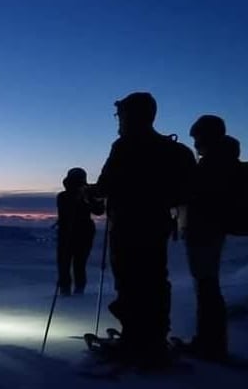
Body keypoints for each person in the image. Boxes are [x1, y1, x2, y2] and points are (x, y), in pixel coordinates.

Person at [93, 92, 196, 366]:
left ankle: (135, 340)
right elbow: (186, 191)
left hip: (128, 225)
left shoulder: (125, 146)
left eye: (121, 115)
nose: (119, 121)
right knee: (155, 279)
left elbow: (105, 185)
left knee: (130, 281)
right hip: (157, 225)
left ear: (132, 116)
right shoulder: (175, 151)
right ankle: (154, 340)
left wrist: (91, 193)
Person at [183, 115, 239, 361]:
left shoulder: (212, 165)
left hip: (205, 232)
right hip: (212, 231)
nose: (195, 144)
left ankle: (210, 344)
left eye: (197, 138)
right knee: (208, 287)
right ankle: (210, 342)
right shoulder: (225, 161)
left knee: (207, 288)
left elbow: (194, 194)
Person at [55, 167, 104, 296]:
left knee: (78, 263)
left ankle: (77, 291)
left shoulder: (86, 195)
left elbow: (99, 211)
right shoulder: (63, 196)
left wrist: (93, 199)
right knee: (66, 263)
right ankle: (66, 290)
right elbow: (66, 213)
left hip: (81, 233)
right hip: (69, 232)